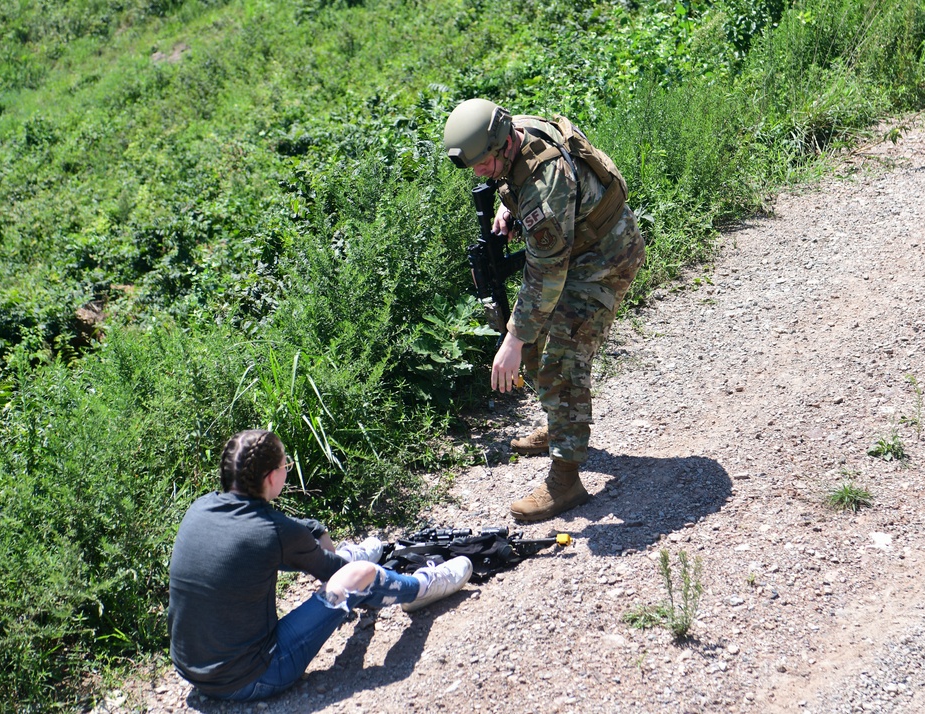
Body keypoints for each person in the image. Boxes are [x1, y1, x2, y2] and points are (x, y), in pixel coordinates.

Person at [443, 98, 645, 522]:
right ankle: (560, 427)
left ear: (500, 145)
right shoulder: (514, 134)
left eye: (483, 164)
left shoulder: (543, 182)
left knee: (561, 360)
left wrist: (513, 340)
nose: (478, 172)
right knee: (531, 343)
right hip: (576, 248)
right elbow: (529, 190)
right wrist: (508, 204)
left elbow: (547, 275)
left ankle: (566, 480)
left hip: (605, 257)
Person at [168, 429, 473, 701]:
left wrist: (313, 529)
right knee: (360, 574)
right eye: (285, 466)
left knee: (270, 558)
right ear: (271, 477)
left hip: (191, 673)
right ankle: (426, 585)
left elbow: (269, 537)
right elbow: (333, 573)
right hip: (255, 677)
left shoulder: (200, 507)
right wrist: (334, 556)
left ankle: (355, 556)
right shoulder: (272, 531)